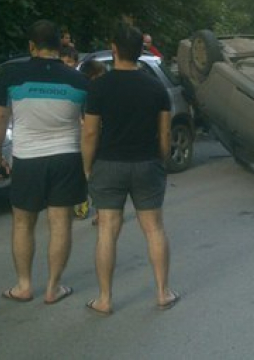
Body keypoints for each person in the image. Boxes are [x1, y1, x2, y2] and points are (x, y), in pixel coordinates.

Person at [81, 22, 179, 315]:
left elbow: (90, 133)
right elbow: (165, 134)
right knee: (155, 230)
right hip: (146, 163)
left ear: (113, 50)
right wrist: (160, 162)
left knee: (107, 231)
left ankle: (105, 299)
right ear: (140, 51)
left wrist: (88, 168)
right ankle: (162, 293)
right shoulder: (156, 87)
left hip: (109, 164)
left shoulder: (99, 87)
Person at [0, 19, 89, 305]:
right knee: (60, 223)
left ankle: (23, 286)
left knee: (23, 223)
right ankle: (53, 287)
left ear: (31, 46)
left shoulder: (12, 76)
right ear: (60, 46)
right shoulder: (79, 81)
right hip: (67, 158)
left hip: (27, 159)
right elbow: (91, 126)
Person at [75, 59, 107, 223]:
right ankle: (99, 210)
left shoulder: (83, 90)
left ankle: (100, 211)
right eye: (101, 74)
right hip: (95, 136)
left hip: (90, 136)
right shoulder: (93, 91)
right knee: (96, 177)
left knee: (95, 176)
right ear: (93, 76)